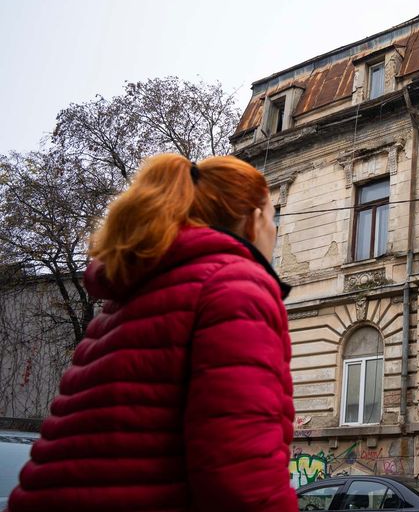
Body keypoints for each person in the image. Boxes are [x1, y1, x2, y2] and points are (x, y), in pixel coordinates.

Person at [8, 154, 297, 512]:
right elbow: (241, 475)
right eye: (273, 219)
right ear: (253, 222)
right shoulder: (236, 285)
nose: (273, 232)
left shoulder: (125, 297)